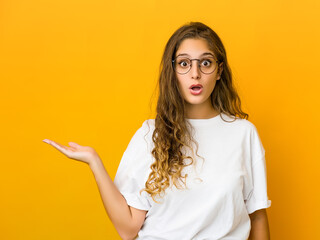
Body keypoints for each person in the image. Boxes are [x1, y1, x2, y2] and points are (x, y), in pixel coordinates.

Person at [43, 22, 271, 240]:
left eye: (205, 63)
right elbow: (128, 229)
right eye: (184, 63)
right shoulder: (150, 134)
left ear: (219, 71)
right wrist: (94, 161)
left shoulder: (243, 134)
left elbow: (258, 216)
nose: (195, 74)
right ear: (172, 71)